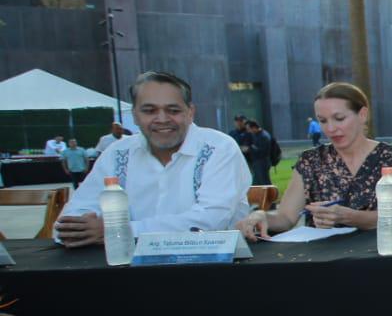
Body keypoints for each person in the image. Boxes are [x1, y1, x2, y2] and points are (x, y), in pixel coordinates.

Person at [54, 71, 250, 246]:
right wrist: (79, 230)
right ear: (135, 115)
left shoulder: (218, 148)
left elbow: (210, 222)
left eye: (173, 110)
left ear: (190, 113)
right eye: (149, 111)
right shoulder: (117, 153)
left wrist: (117, 231)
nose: (162, 119)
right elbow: (71, 219)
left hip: (208, 267)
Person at [237, 83, 392, 238]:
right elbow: (286, 217)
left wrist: (348, 216)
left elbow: (390, 217)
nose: (330, 128)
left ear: (362, 115)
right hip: (320, 257)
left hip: (383, 252)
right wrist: (262, 216)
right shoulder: (310, 161)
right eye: (322, 121)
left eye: (339, 118)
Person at [242, 120, 274, 185]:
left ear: (254, 127)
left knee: (265, 183)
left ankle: (271, 192)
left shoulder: (263, 136)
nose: (248, 131)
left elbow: (262, 151)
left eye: (249, 129)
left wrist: (249, 149)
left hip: (262, 163)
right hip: (257, 162)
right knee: (256, 183)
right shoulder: (256, 135)